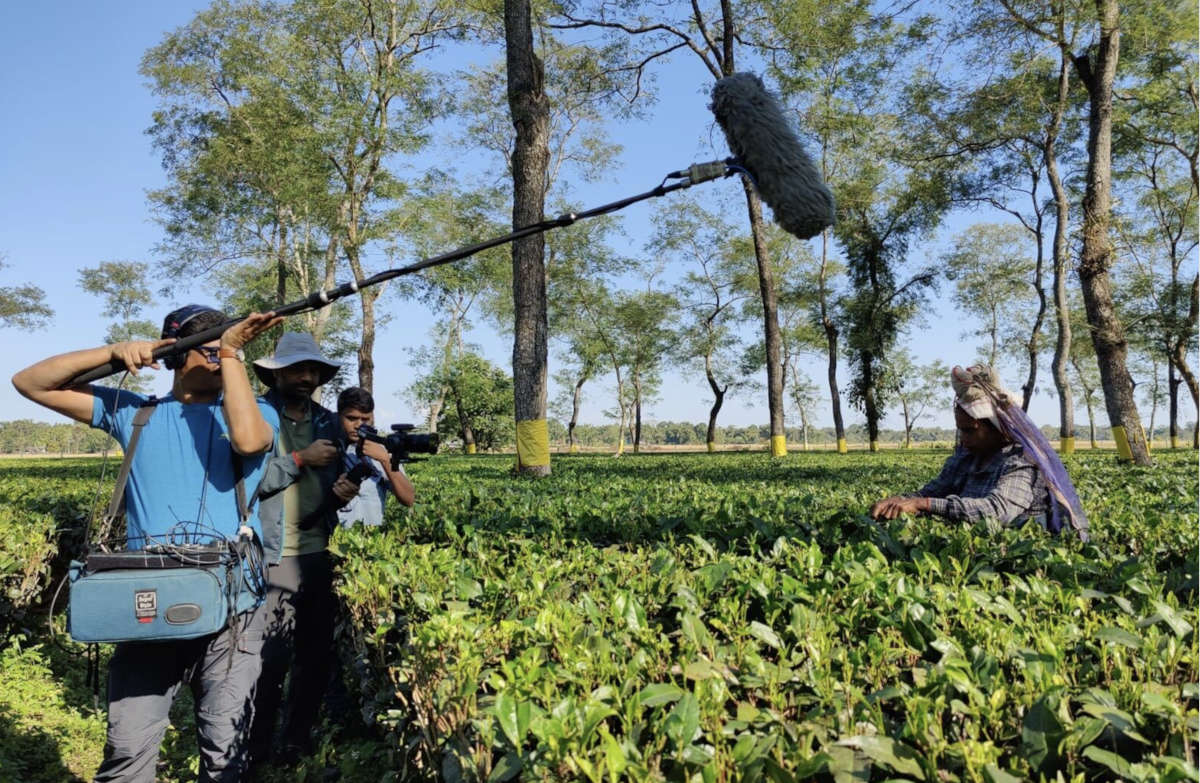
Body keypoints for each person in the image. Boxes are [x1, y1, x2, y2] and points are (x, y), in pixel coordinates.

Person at [11, 304, 283, 783]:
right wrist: (116, 353)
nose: (222, 361)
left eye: (227, 353)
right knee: (127, 749)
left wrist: (232, 353)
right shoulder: (135, 413)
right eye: (210, 352)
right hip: (149, 603)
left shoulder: (258, 410)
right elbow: (30, 382)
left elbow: (246, 442)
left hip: (234, 607)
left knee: (225, 751)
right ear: (177, 355)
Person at [248, 332, 356, 768]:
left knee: (313, 657)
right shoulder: (255, 416)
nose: (306, 377)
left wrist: (342, 492)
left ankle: (295, 742)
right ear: (276, 374)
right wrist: (299, 459)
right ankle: (253, 747)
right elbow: (244, 482)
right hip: (272, 553)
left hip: (317, 550)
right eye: (297, 369)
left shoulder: (330, 422)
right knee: (268, 659)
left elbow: (329, 487)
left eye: (313, 370)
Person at [870, 365, 1089, 540]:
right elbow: (935, 490)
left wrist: (924, 504)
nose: (963, 440)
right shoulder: (966, 457)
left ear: (995, 427)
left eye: (969, 431)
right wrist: (899, 501)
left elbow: (998, 511)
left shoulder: (1022, 461)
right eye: (961, 431)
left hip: (1017, 548)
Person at [335, 386, 415, 526]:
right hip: (333, 541)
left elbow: (408, 499)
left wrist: (385, 460)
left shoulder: (381, 449)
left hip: (371, 541)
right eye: (351, 418)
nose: (358, 425)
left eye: (365, 419)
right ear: (338, 416)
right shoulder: (326, 448)